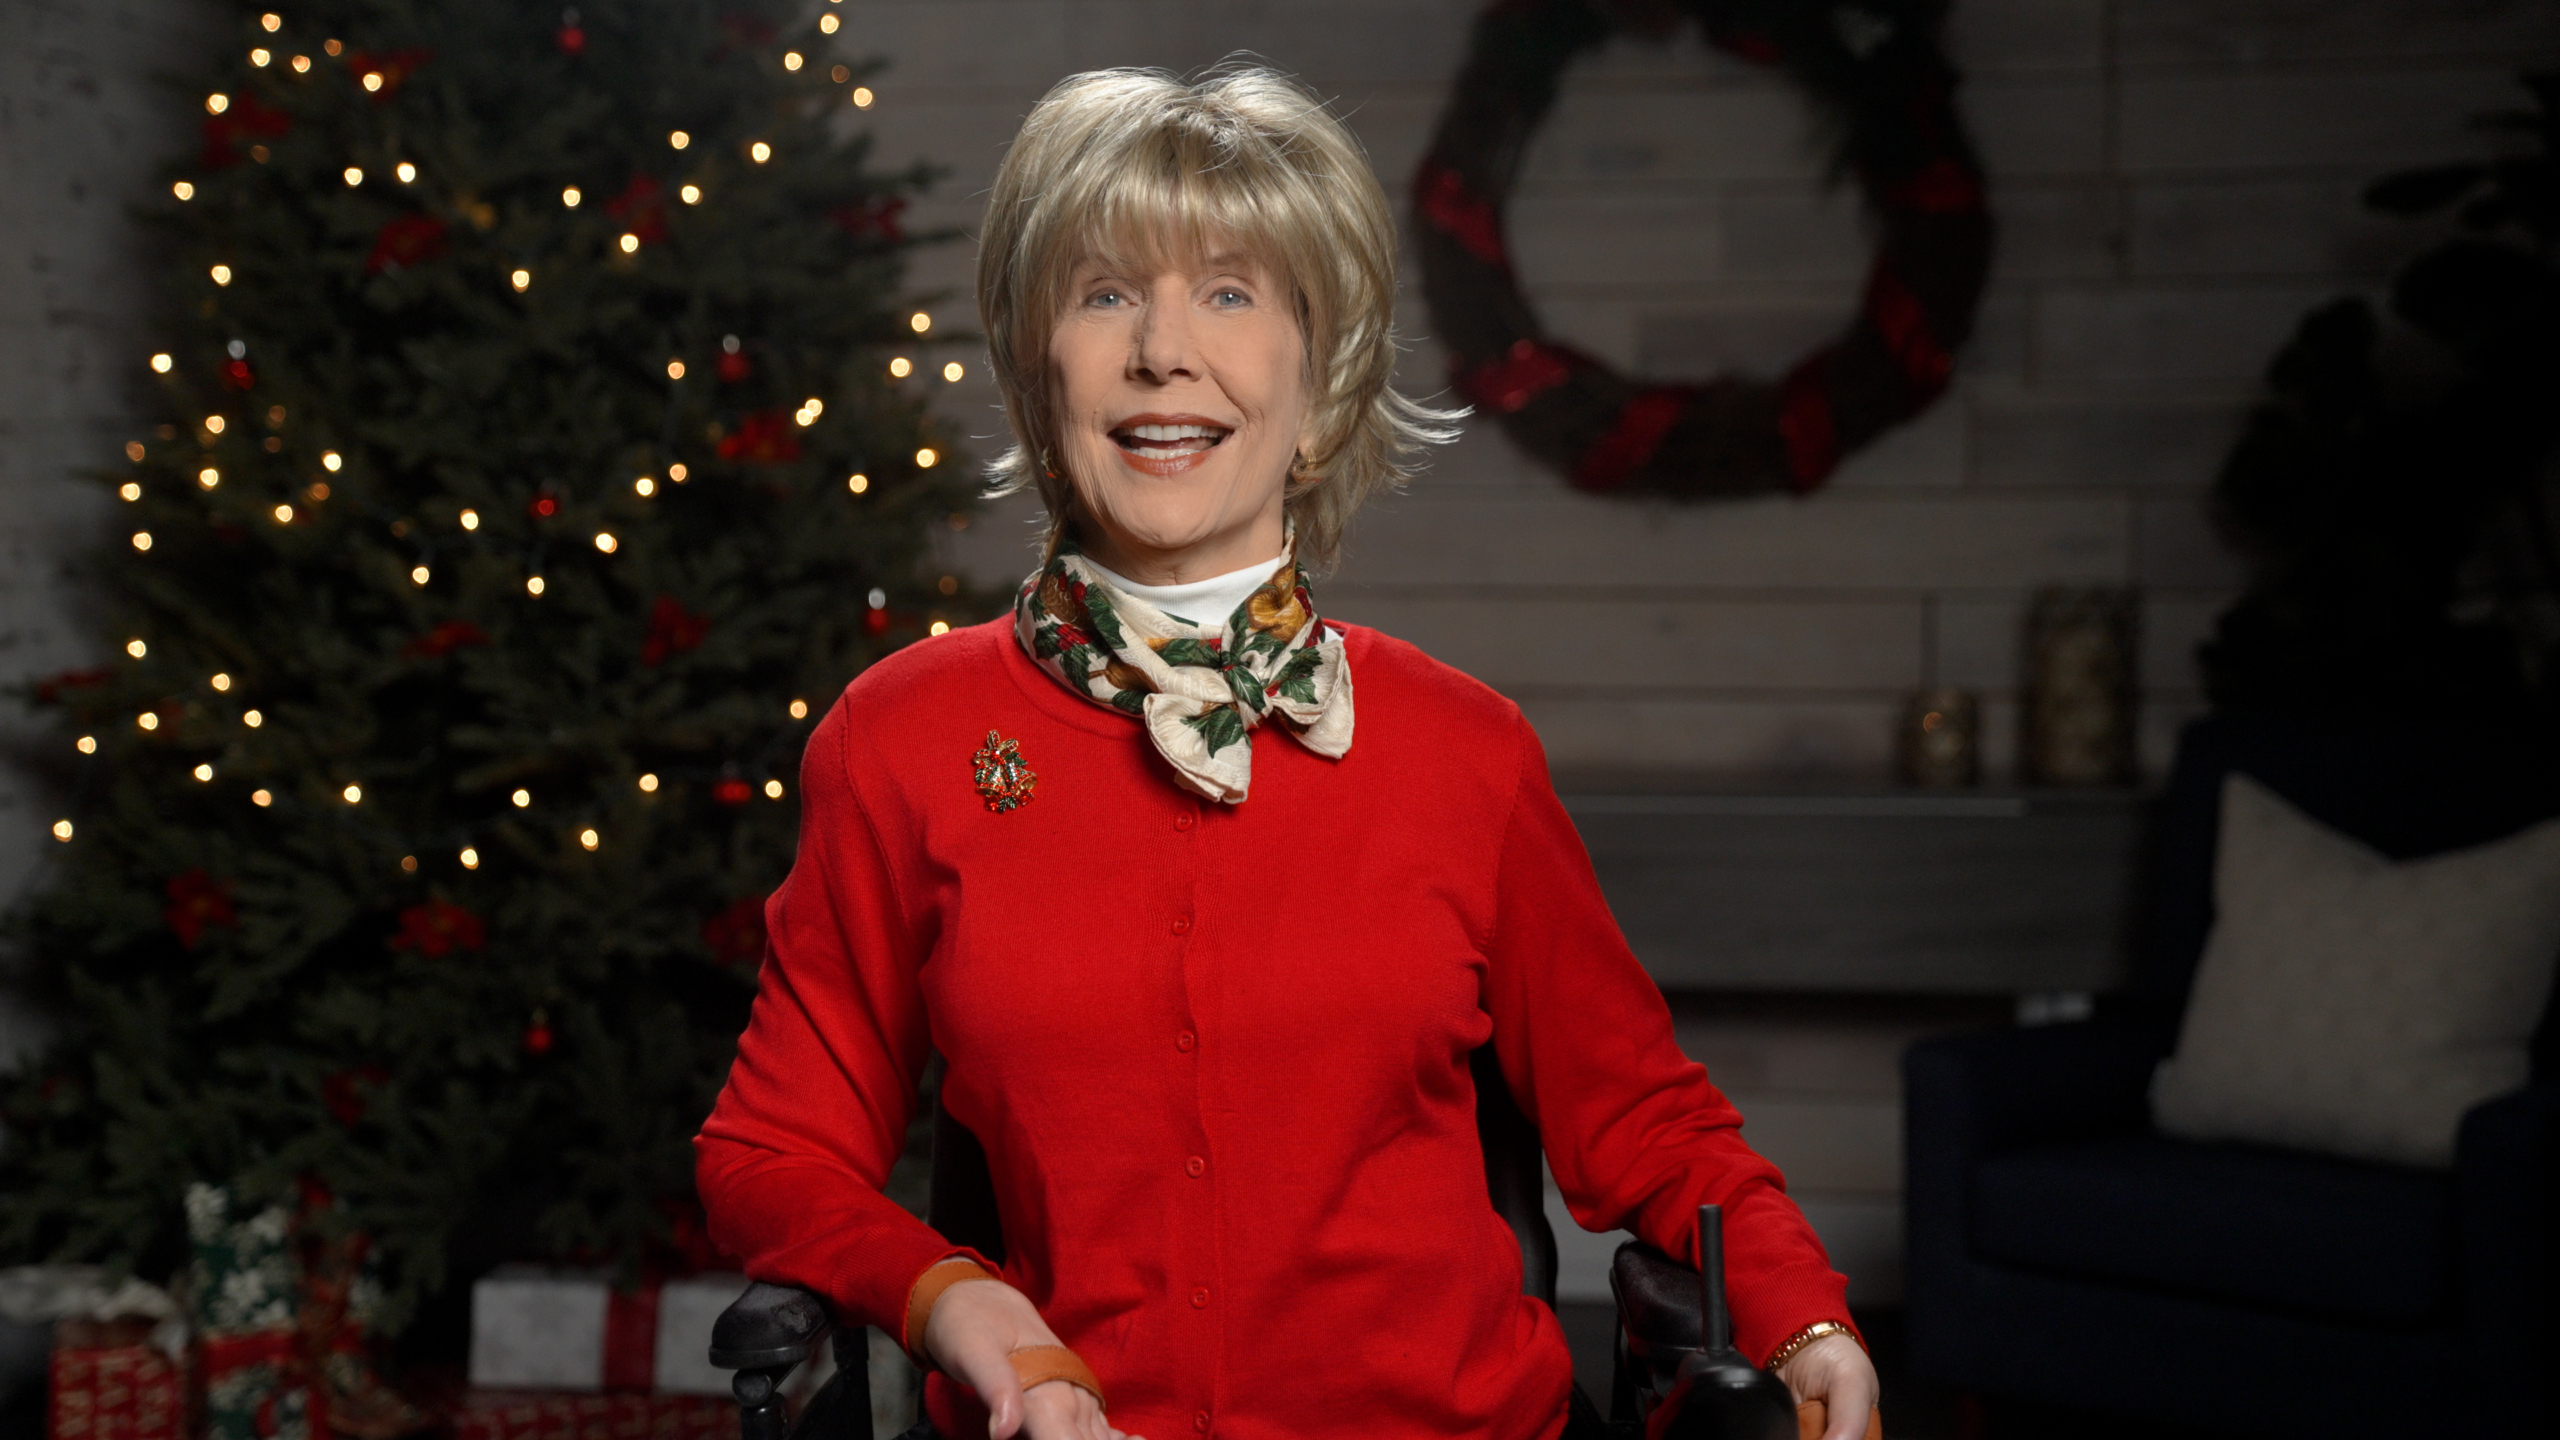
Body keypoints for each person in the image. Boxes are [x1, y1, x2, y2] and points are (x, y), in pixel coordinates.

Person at [695, 64, 1881, 1440]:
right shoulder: (898, 741)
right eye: (1102, 294)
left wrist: (1802, 1312)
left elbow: (1650, 1120)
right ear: (1041, 375)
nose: (1162, 350)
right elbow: (768, 1151)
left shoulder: (1465, 749)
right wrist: (956, 1296)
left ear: (1320, 392)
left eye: (1232, 293)